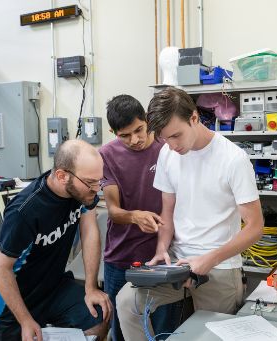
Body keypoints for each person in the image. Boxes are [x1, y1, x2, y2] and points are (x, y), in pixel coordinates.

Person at [116, 87, 264, 340]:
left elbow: (255, 227)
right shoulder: (167, 154)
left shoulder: (233, 159)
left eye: (176, 135)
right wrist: (162, 248)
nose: (172, 146)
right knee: (127, 302)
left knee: (209, 335)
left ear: (194, 118)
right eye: (165, 138)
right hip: (177, 264)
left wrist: (210, 259)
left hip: (219, 267)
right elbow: (168, 211)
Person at [0, 140, 112, 341]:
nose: (96, 189)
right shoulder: (24, 211)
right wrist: (25, 320)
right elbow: (1, 269)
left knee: (99, 315)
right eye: (90, 182)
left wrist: (91, 287)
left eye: (99, 180)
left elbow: (89, 232)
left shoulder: (82, 194)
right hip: (12, 305)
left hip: (51, 288)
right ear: (62, 176)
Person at [99, 94, 182, 341]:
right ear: (113, 132)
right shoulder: (106, 154)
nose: (135, 140)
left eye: (139, 130)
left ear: (147, 120)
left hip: (165, 256)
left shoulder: (169, 148)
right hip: (121, 258)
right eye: (125, 135)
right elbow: (113, 210)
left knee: (164, 332)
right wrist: (134, 216)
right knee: (122, 333)